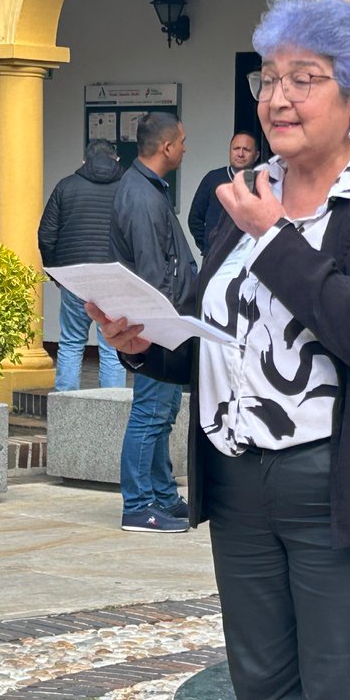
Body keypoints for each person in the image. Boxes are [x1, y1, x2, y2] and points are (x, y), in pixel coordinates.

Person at [90, 0, 350, 700]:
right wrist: (145, 344)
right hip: (237, 480)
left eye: (305, 78)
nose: (277, 97)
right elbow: (217, 341)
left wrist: (273, 237)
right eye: (268, 78)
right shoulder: (250, 199)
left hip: (337, 486)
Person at [109, 112, 196, 534]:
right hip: (154, 330)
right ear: (166, 147)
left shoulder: (146, 188)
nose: (184, 148)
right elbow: (151, 273)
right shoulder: (142, 196)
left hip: (164, 326)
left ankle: (161, 495)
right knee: (150, 414)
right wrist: (164, 328)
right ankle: (139, 505)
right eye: (181, 141)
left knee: (163, 413)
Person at [37, 138, 125, 391]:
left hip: (75, 278)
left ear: (84, 161)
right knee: (112, 345)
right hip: (115, 277)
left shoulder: (66, 187)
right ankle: (111, 407)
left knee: (71, 342)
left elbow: (46, 234)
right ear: (116, 159)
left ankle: (65, 408)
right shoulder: (129, 187)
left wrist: (57, 273)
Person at [187, 131, 259, 256]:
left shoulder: (262, 183)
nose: (240, 154)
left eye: (246, 150)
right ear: (230, 152)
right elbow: (195, 219)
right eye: (236, 149)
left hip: (249, 259)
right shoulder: (213, 178)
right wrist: (208, 248)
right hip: (215, 258)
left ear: (256, 155)